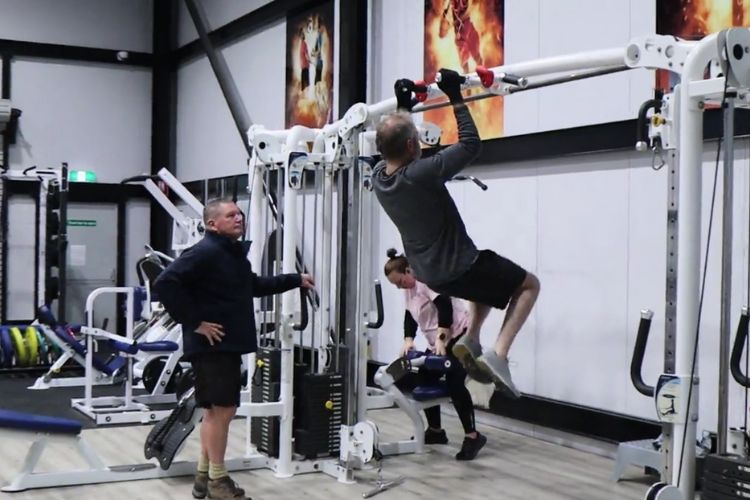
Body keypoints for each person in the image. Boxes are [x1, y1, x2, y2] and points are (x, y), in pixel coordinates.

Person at [372, 68, 540, 399]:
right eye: (415, 140)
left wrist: (405, 107)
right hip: (456, 266)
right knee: (529, 285)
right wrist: (455, 97)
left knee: (485, 278)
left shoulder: (379, 177)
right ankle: (500, 355)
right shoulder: (421, 173)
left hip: (433, 276)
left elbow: (395, 145)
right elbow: (471, 144)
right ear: (411, 144)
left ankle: (471, 339)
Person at [154, 198, 314, 500]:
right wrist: (195, 322)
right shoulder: (205, 252)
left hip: (224, 345)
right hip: (214, 346)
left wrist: (295, 280)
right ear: (212, 223)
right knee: (222, 412)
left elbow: (251, 285)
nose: (238, 218)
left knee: (215, 413)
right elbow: (165, 282)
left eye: (239, 214)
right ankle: (218, 480)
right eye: (231, 215)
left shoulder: (230, 254)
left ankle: (204, 477)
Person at [384, 249, 486, 460]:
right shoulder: (409, 289)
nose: (399, 286)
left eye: (400, 281)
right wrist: (408, 339)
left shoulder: (426, 280)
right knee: (423, 376)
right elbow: (409, 315)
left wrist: (441, 339)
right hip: (440, 342)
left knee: (455, 382)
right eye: (395, 285)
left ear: (409, 270)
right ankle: (436, 431)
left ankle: (473, 436)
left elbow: (444, 306)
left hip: (459, 335)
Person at [438, 0, 483, 73]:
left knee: (476, 55)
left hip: (467, 27)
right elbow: (442, 31)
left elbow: (468, 12)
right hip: (460, 31)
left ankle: (482, 75)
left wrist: (455, 22)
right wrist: (446, 26)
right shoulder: (448, 4)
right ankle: (467, 75)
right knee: (463, 57)